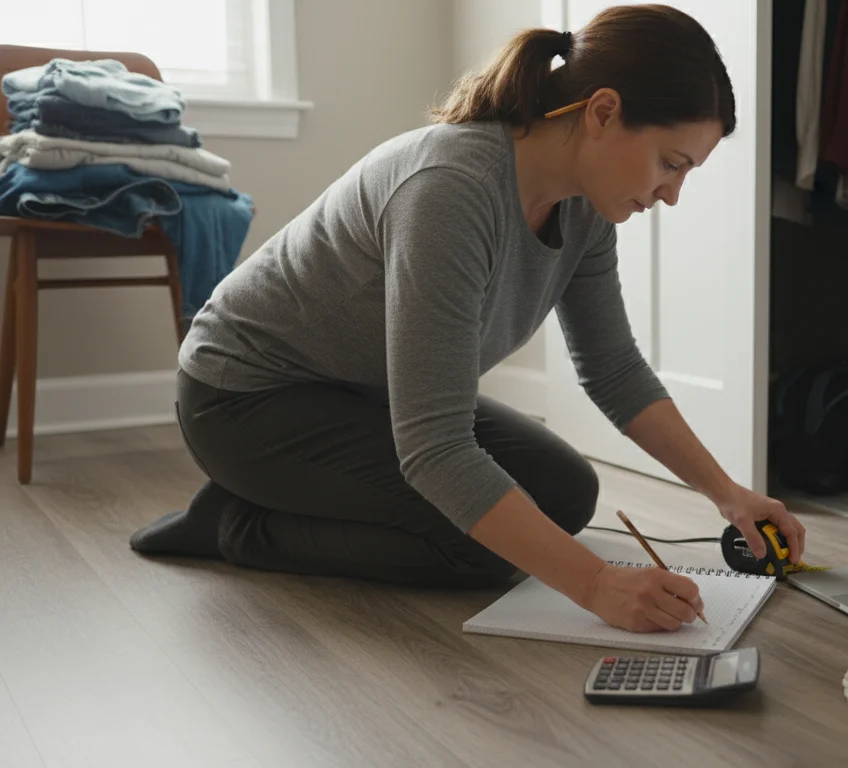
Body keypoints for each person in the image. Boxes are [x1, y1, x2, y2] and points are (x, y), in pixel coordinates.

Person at [129, 4, 807, 634]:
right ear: (602, 112)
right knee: (478, 551)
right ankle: (238, 524)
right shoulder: (451, 191)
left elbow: (613, 369)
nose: (672, 194)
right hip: (245, 402)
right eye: (671, 163)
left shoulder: (585, 208)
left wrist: (729, 495)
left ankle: (303, 500)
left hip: (363, 392)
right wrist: (598, 586)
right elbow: (436, 449)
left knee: (565, 493)